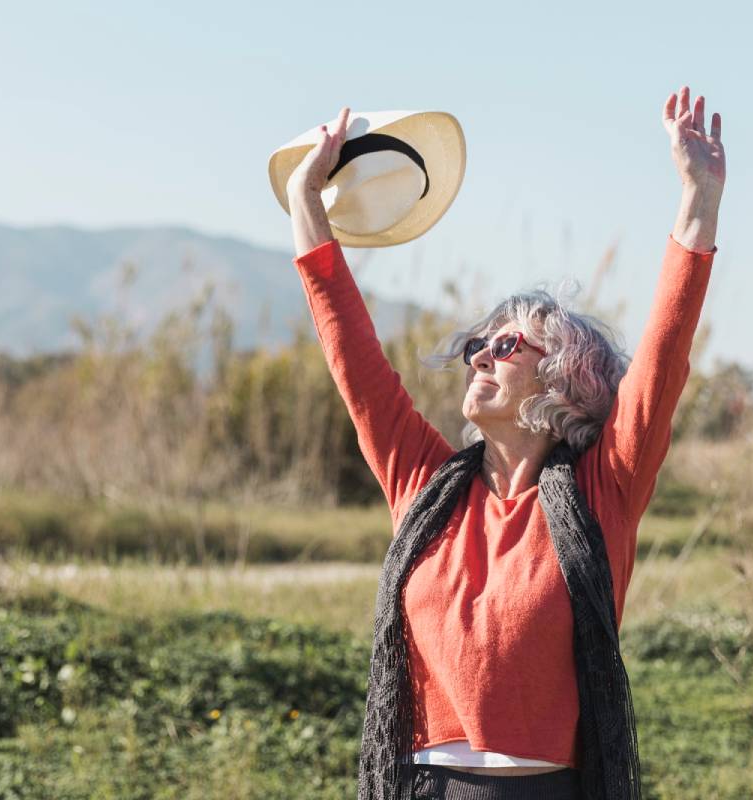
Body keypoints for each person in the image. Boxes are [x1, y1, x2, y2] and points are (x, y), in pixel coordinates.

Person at [286, 86, 725, 799]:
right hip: (423, 785)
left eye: (507, 344)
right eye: (477, 345)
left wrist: (698, 199)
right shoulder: (425, 486)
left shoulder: (603, 490)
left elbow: (663, 360)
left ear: (564, 378)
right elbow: (354, 361)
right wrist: (307, 202)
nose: (481, 355)